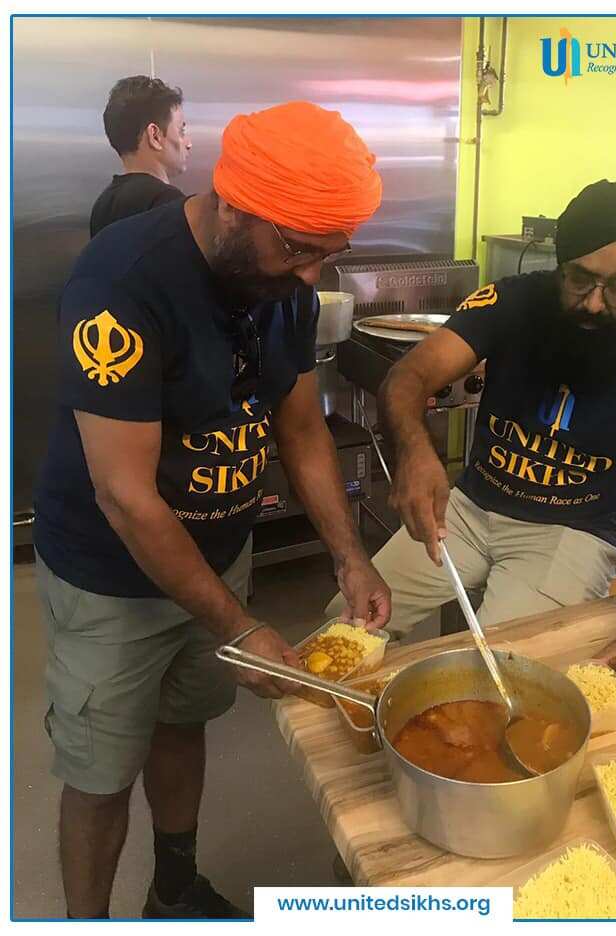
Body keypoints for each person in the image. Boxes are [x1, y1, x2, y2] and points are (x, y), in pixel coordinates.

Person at [34, 101, 390, 920]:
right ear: (233, 203)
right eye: (298, 249)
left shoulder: (285, 279)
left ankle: (175, 886)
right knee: (99, 772)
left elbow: (299, 423)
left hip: (218, 555)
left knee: (183, 720)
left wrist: (349, 555)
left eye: (327, 255)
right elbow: (125, 497)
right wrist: (241, 627)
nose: (310, 275)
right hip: (110, 575)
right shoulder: (123, 283)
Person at [327, 179, 616, 727]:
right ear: (561, 263)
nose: (596, 303)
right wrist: (415, 453)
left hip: (572, 532)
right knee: (343, 633)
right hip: (469, 511)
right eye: (582, 280)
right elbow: (408, 377)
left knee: (490, 690)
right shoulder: (512, 300)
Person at [90, 76, 191, 237]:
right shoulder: (167, 203)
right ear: (155, 136)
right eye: (181, 131)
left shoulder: (103, 204)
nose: (188, 143)